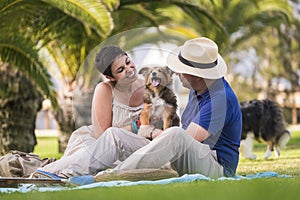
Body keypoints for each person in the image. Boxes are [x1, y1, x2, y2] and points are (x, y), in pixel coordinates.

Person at [95, 37, 242, 179]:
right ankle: (74, 173)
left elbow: (186, 140)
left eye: (181, 69)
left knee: (176, 135)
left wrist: (152, 132)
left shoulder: (220, 99)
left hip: (216, 167)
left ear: (197, 76)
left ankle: (114, 175)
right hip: (190, 156)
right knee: (115, 134)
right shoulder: (197, 87)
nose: (176, 73)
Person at [35, 46, 151, 177]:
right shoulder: (105, 89)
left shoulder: (149, 84)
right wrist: (137, 126)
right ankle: (43, 175)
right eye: (121, 70)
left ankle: (62, 174)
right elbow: (102, 136)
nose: (129, 70)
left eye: (128, 62)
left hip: (138, 144)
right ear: (110, 77)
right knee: (81, 156)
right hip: (102, 143)